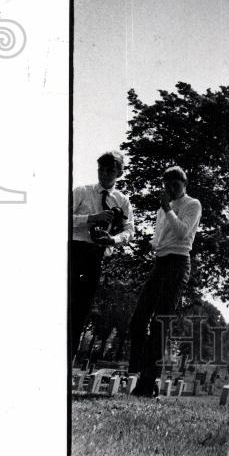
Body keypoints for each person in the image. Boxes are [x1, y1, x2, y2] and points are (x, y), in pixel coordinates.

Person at [128, 166, 201, 397]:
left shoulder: (192, 204)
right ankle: (138, 373)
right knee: (139, 319)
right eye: (167, 184)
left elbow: (182, 232)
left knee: (161, 322)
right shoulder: (163, 209)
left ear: (184, 184)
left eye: (175, 185)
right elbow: (160, 236)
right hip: (160, 261)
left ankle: (148, 384)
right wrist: (153, 244)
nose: (170, 188)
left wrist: (168, 209)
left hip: (178, 262)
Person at [70, 150, 134, 361]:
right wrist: (91, 218)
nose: (104, 174)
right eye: (101, 169)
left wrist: (113, 239)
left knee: (82, 307)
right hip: (74, 249)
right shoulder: (82, 191)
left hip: (95, 255)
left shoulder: (122, 201)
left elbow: (129, 231)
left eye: (110, 170)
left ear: (119, 173)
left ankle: (68, 357)